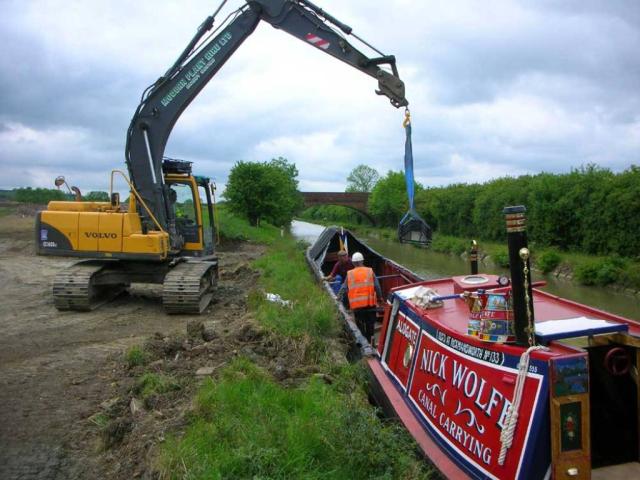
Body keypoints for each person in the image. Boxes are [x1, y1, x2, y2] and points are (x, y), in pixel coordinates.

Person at [337, 252, 382, 344]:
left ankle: (363, 343)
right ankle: (371, 341)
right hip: (370, 305)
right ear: (362, 261)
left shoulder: (350, 274)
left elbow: (344, 288)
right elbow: (377, 286)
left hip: (357, 307)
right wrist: (380, 298)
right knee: (370, 325)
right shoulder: (370, 271)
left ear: (353, 263)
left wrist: (338, 298)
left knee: (360, 325)